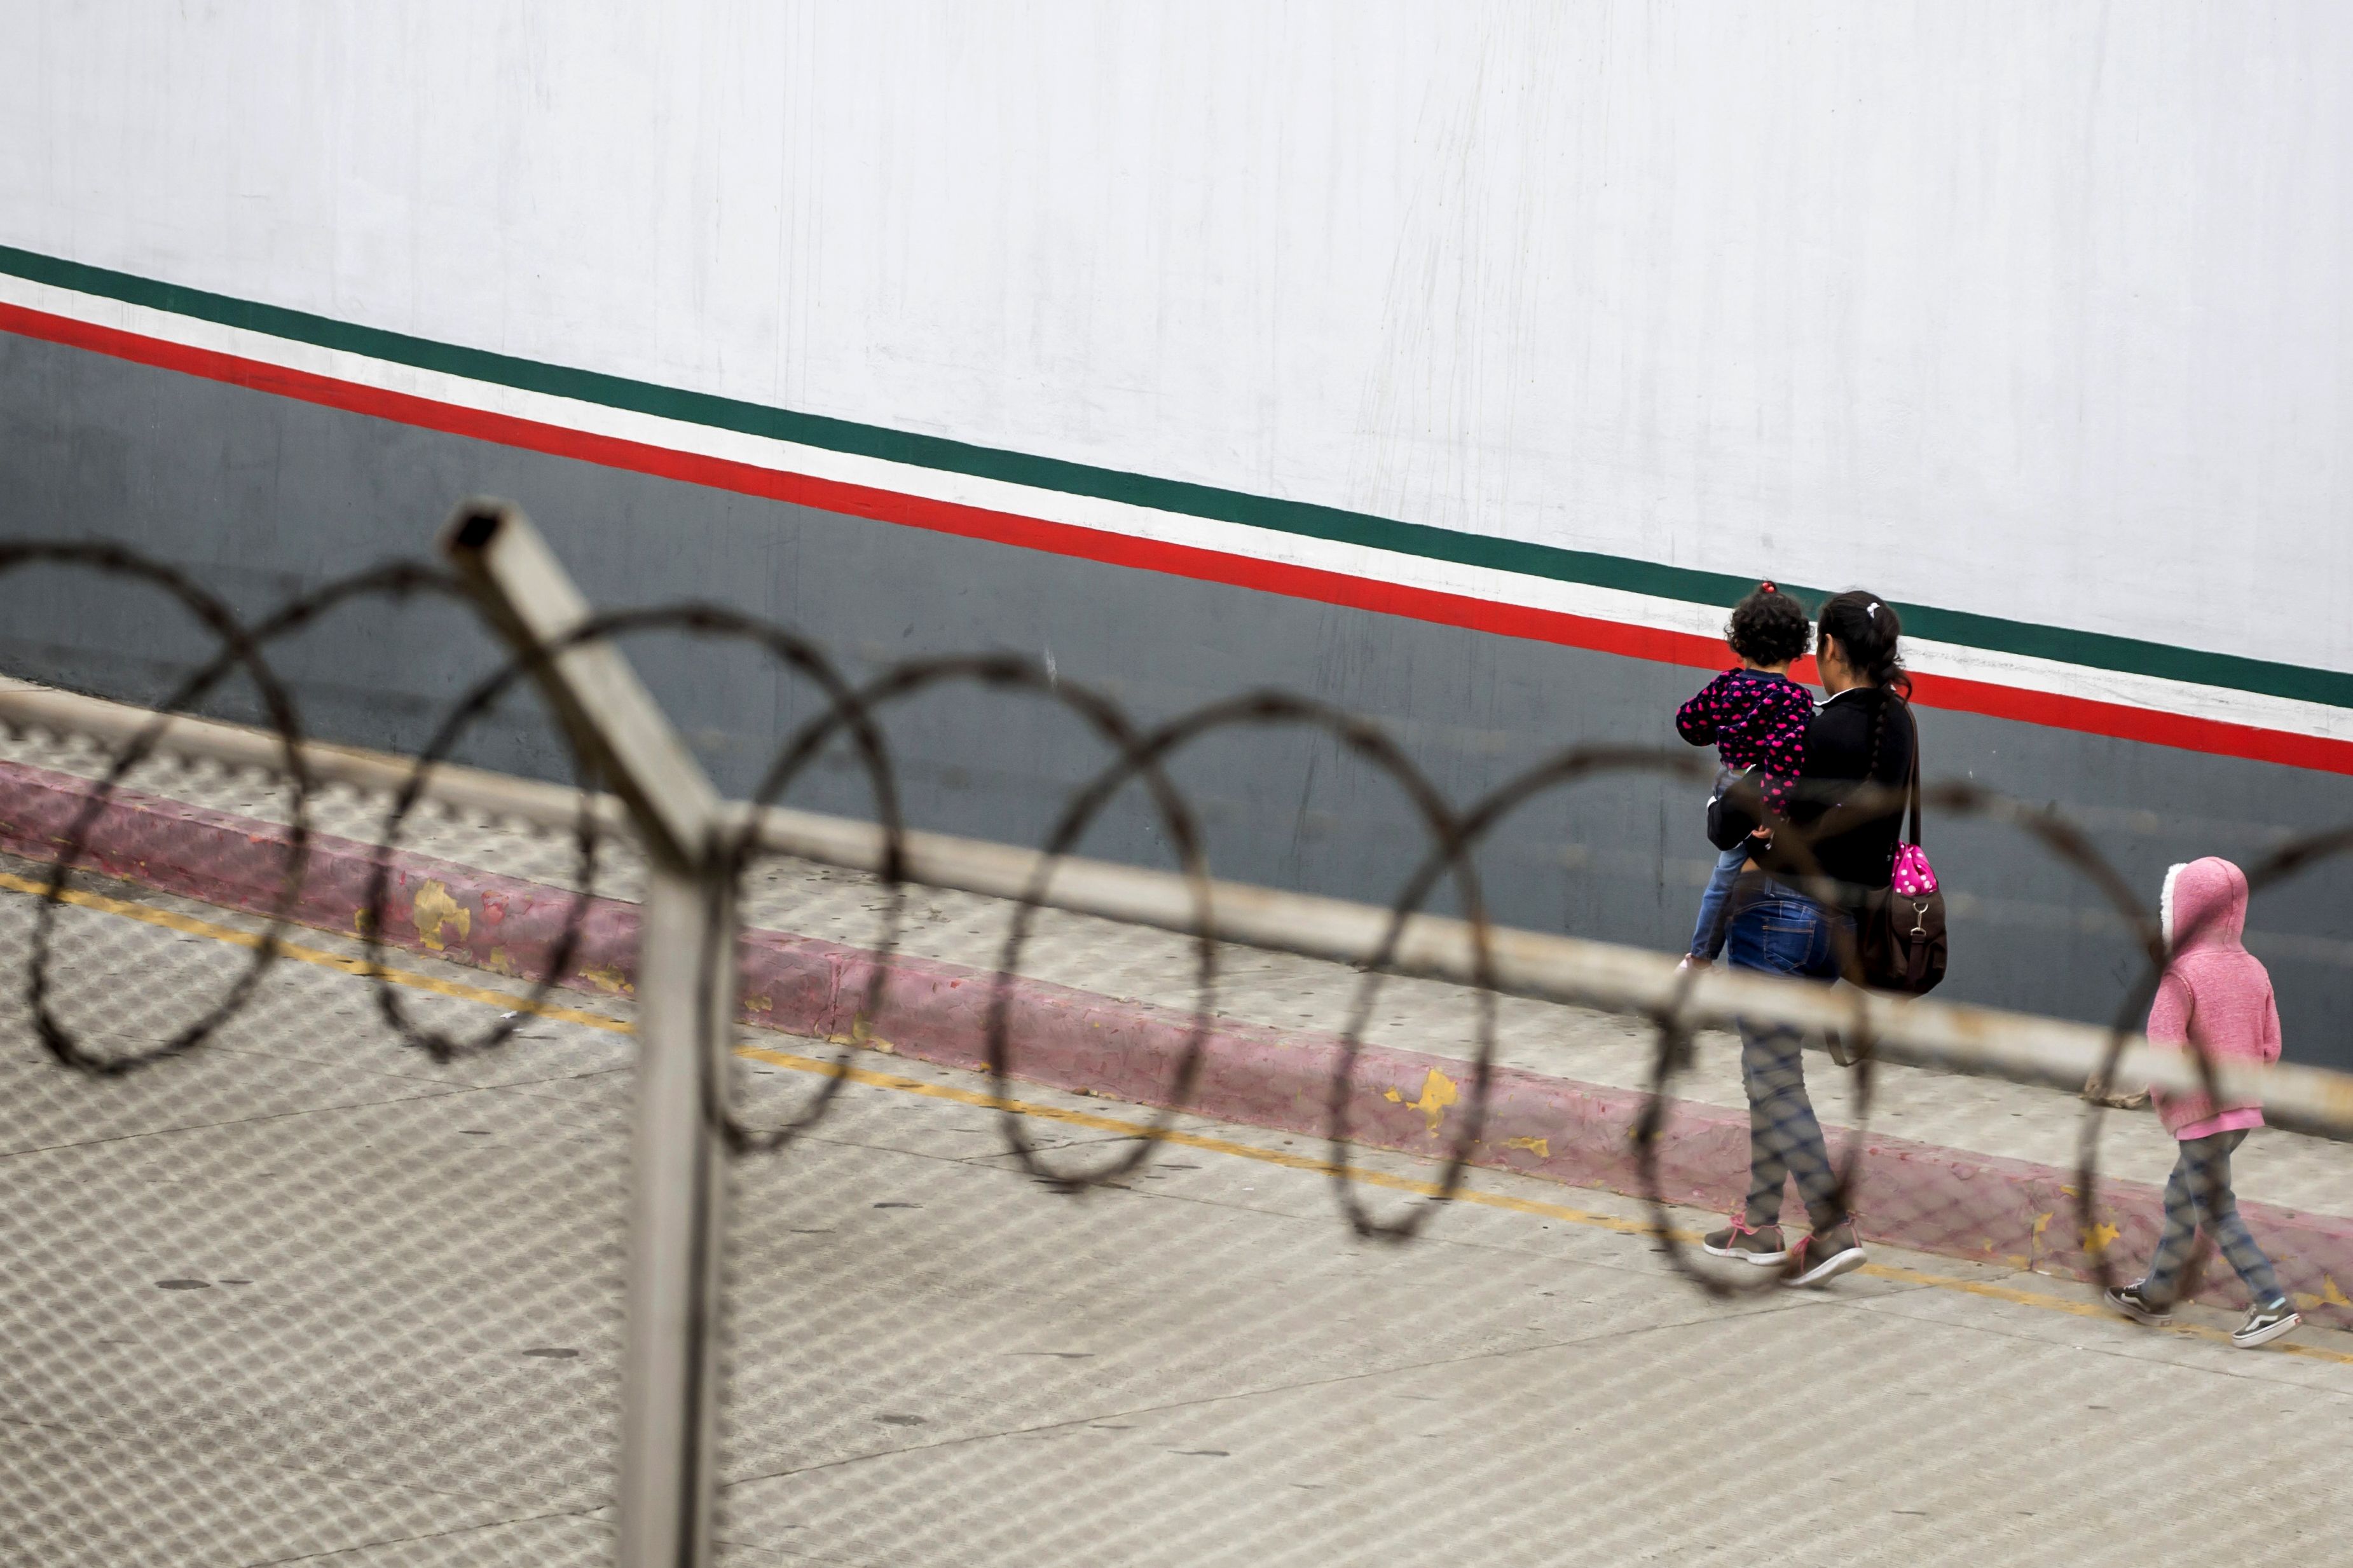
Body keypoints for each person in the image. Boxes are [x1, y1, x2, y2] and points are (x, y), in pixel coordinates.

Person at [1701, 590, 1914, 1285]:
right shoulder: (1900, 724)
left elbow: (1731, 821)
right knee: (1774, 1067)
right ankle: (1759, 1223)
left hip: (1778, 917)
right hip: (1843, 930)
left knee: (1769, 1071)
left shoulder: (1815, 730)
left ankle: (1830, 1225)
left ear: (1827, 650)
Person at [2103, 857, 2301, 1349]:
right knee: (2182, 1195)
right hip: (2240, 1110)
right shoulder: (2255, 969)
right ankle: (2156, 1293)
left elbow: (2163, 1045)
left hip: (2199, 1113)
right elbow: (2271, 1045)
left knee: (2213, 1206)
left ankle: (2271, 1301)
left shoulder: (2181, 973)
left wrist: (2166, 1100)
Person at [1673, 583, 1814, 967]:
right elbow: (1785, 759)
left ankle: (1703, 956)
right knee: (1728, 878)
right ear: (1797, 647)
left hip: (1726, 784)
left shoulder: (1726, 684)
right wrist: (1771, 814)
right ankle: (1700, 957)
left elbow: (1688, 723)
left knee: (1729, 871)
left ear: (1740, 642)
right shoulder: (1794, 699)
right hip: (1759, 795)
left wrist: (1718, 727)